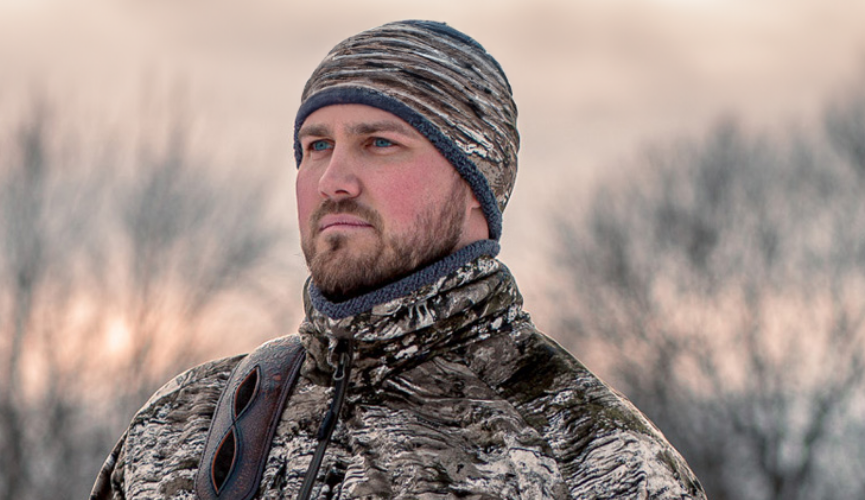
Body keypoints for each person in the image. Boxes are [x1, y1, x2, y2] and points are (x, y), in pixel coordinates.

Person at [90, 20, 706, 500]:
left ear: (476, 186)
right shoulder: (182, 426)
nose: (334, 179)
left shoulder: (596, 461)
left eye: (379, 143)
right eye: (316, 146)